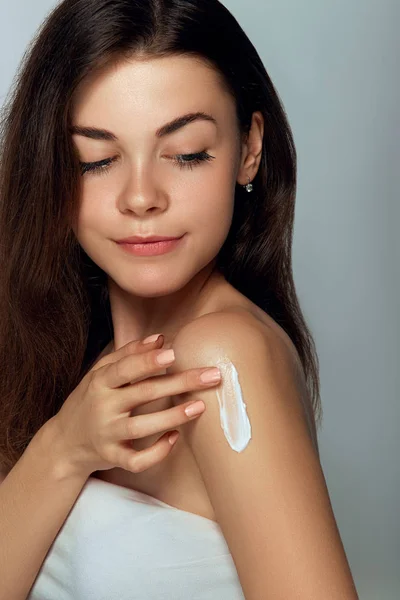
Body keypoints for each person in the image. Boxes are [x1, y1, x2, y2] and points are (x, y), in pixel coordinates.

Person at [0, 0, 360, 598]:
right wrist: (62, 449)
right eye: (96, 160)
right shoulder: (64, 364)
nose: (141, 197)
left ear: (249, 148)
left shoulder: (223, 359)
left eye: (187, 153)